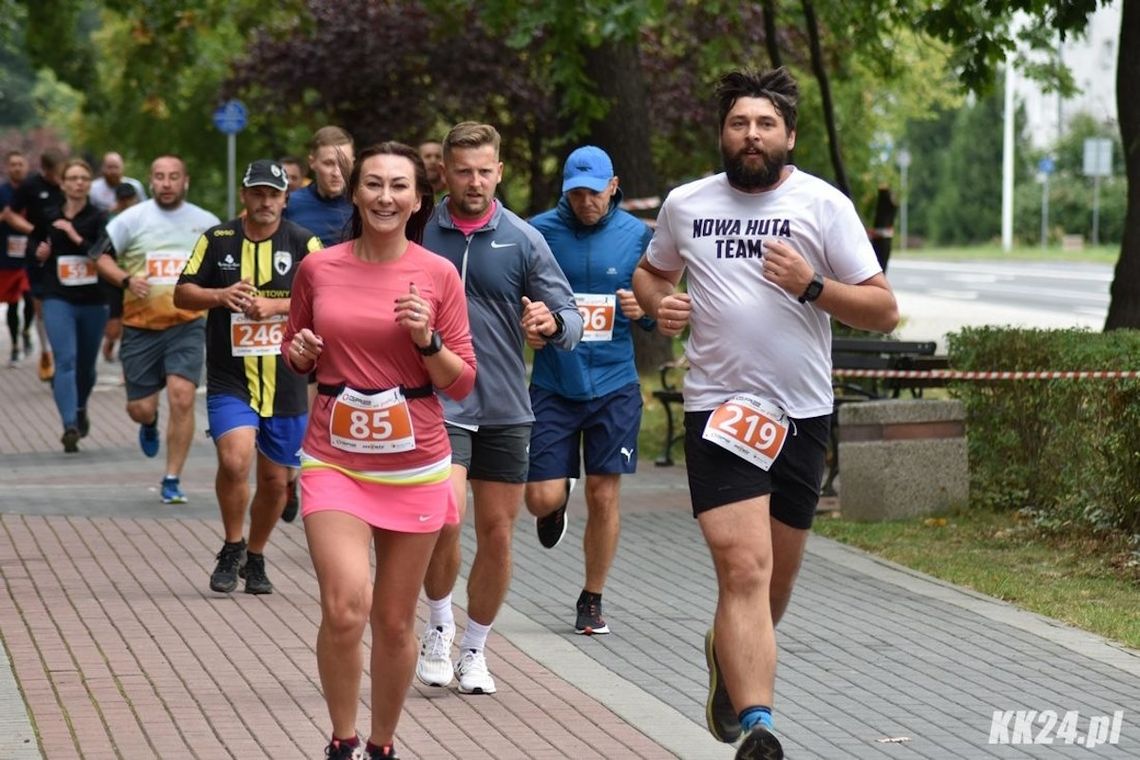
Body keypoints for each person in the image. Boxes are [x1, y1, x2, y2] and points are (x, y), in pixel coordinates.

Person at [632, 68, 899, 760]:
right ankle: (759, 726)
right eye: (739, 125)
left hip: (802, 415)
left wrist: (812, 285)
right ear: (722, 134)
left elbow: (882, 308)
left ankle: (729, 655)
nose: (751, 136)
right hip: (719, 409)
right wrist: (661, 306)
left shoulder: (824, 206)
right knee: (743, 569)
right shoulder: (687, 204)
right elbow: (652, 272)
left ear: (789, 136)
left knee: (771, 588)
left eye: (765, 125)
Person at [282, 142, 476, 760]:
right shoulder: (320, 268)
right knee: (346, 607)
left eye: (398, 186)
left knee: (394, 623)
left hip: (415, 462)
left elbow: (461, 380)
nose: (385, 197)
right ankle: (342, 740)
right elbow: (295, 349)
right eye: (373, 184)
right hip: (334, 458)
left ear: (418, 199)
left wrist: (426, 339)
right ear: (356, 193)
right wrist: (303, 355)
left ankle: (382, 744)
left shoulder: (439, 274)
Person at [414, 122, 583, 695]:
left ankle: (475, 648)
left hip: (507, 407)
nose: (475, 181)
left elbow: (571, 317)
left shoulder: (524, 238)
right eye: (463, 171)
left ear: (500, 172)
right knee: (444, 519)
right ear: (444, 172)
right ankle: (438, 626)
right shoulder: (419, 233)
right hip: (440, 403)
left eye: (485, 170)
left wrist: (552, 322)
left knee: (498, 533)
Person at [525, 145, 656, 635]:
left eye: (594, 192)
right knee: (538, 498)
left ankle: (592, 597)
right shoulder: (538, 232)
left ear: (614, 186)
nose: (585, 202)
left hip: (614, 384)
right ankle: (556, 499)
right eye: (575, 192)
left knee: (605, 495)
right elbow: (516, 299)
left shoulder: (638, 237)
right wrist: (530, 326)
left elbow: (657, 311)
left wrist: (643, 315)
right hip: (556, 382)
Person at [174, 160, 321, 594]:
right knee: (235, 459)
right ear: (244, 195)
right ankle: (232, 545)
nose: (265, 201)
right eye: (257, 193)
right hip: (230, 376)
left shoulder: (302, 242)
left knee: (276, 481)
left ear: (285, 198)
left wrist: (277, 308)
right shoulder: (218, 239)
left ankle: (255, 554)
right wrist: (221, 295)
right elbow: (182, 293)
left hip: (287, 378)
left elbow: (328, 296)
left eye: (273, 194)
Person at [93, 154, 220, 503]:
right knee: (141, 408)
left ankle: (171, 478)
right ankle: (148, 424)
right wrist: (127, 279)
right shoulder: (131, 219)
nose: (166, 183)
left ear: (186, 181)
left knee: (182, 396)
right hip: (140, 328)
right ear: (151, 181)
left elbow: (222, 269)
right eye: (160, 176)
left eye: (173, 176)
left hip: (187, 326)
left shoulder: (206, 222)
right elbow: (100, 257)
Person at [29, 159, 108, 451]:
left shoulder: (100, 217)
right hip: (57, 297)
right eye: (72, 178)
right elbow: (33, 250)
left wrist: (73, 234)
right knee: (65, 360)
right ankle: (69, 425)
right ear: (62, 183)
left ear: (89, 183)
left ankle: (79, 408)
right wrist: (39, 253)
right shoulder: (48, 216)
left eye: (84, 178)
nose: (78, 183)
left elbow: (102, 253)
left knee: (86, 368)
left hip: (93, 301)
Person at [5, 148, 65, 381]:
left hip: (65, 253)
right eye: (56, 175)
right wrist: (34, 231)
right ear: (45, 170)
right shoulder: (31, 186)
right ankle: (46, 351)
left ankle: (63, 351)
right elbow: (11, 214)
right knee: (39, 302)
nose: (60, 179)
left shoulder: (70, 184)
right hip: (36, 253)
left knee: (64, 300)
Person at [283, 126, 354, 247]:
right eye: (328, 163)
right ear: (312, 162)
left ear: (353, 162)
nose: (337, 172)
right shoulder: (289, 204)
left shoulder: (364, 205)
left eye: (344, 163)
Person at [102, 183, 142, 362]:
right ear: (118, 201)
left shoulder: (145, 217)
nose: (128, 204)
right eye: (123, 201)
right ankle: (110, 341)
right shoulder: (110, 221)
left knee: (132, 320)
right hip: (114, 278)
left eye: (130, 200)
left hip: (139, 277)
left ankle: (127, 361)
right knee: (114, 324)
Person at [0, 150, 32, 366]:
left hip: (30, 254)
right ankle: (14, 346)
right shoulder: (2, 192)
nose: (17, 167)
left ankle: (27, 330)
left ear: (26, 166)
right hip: (6, 255)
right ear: (7, 167)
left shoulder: (34, 190)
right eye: (13, 164)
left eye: (21, 163)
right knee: (12, 304)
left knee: (31, 298)